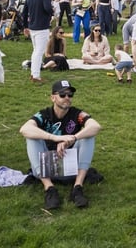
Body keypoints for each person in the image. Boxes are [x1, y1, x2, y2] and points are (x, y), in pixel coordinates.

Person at [20, 79, 102, 209]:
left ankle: (77, 187)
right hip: (45, 168)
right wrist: (55, 138)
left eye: (70, 95)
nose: (67, 98)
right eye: (62, 95)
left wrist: (73, 138)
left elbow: (95, 126)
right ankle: (49, 189)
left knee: (88, 135)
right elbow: (24, 129)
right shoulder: (44, 114)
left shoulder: (77, 114)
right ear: (53, 97)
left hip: (71, 168)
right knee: (32, 137)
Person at [23, 0, 54, 84]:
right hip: (42, 26)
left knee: (36, 50)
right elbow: (47, 8)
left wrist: (25, 26)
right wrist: (52, 12)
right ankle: (35, 75)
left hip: (32, 26)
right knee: (38, 51)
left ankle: (33, 72)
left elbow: (24, 11)